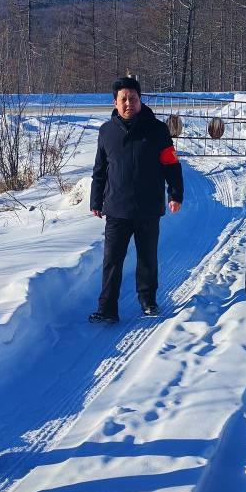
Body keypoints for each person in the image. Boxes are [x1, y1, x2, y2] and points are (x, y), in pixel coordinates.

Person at [88, 77, 184, 323]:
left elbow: (171, 164)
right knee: (112, 261)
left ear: (140, 100)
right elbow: (100, 170)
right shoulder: (106, 132)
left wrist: (175, 193)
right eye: (123, 99)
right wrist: (95, 200)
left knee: (147, 258)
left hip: (147, 207)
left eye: (133, 98)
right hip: (116, 208)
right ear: (115, 102)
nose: (128, 103)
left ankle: (148, 300)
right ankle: (107, 309)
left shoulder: (157, 130)